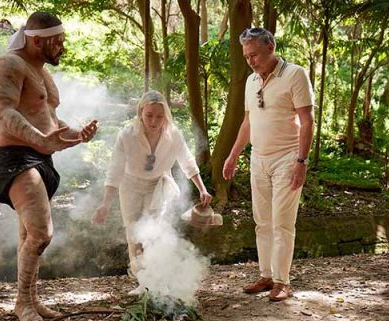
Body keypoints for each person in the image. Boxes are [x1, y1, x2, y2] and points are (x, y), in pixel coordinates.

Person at [0, 11, 99, 321]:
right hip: (16, 158)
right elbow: (3, 112)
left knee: (29, 234)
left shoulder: (41, 73)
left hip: (41, 159)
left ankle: (32, 299)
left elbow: (47, 120)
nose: (62, 47)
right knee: (41, 232)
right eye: (57, 41)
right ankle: (23, 303)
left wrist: (78, 134)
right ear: (37, 41)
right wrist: (40, 140)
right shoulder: (9, 64)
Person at [223, 28, 314, 302]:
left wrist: (302, 161)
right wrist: (233, 154)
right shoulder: (251, 81)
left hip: (288, 158)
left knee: (282, 223)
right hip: (258, 159)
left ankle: (282, 281)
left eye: (254, 54)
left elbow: (307, 121)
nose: (250, 61)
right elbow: (248, 122)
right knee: (261, 221)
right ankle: (265, 275)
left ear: (271, 46)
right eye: (246, 56)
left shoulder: (295, 74)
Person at [91, 90, 212, 294]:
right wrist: (105, 203)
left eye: (159, 116)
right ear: (140, 113)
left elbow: (187, 162)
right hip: (130, 186)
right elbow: (115, 169)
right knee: (133, 234)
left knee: (153, 232)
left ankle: (156, 280)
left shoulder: (173, 134)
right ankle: (142, 281)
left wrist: (202, 188)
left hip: (158, 185)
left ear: (166, 116)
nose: (154, 121)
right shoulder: (127, 135)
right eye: (149, 115)